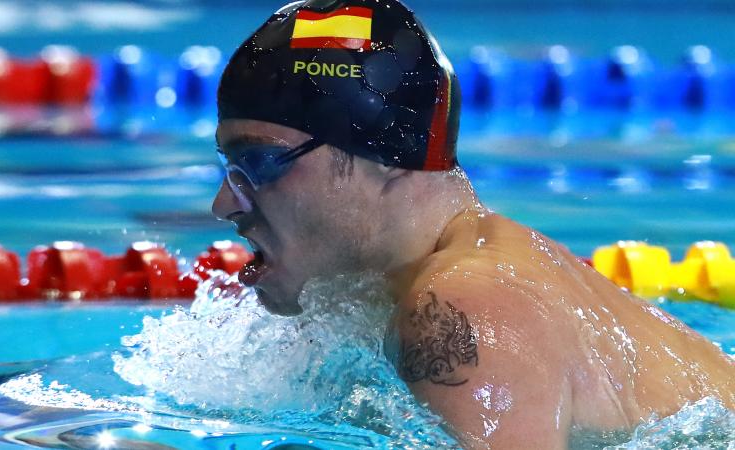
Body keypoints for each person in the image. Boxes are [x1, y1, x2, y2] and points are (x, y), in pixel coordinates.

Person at [211, 0, 735, 447]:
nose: (223, 204)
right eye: (228, 170)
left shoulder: (468, 306)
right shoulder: (424, 285)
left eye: (258, 164)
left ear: (388, 153)